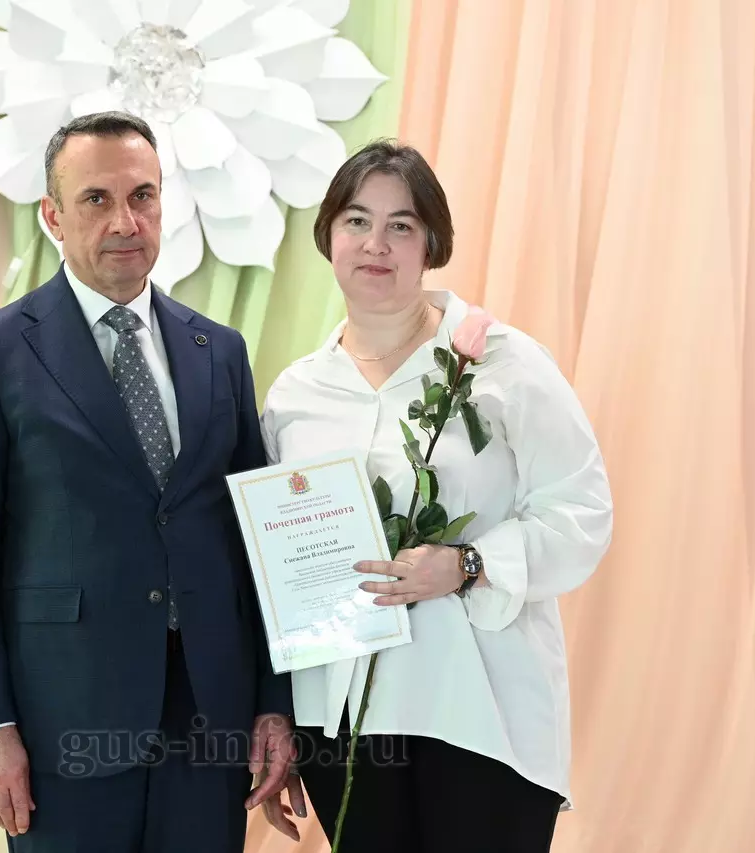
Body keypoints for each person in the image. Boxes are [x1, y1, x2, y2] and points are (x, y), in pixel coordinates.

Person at [0, 111, 295, 853]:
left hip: (209, 717)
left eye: (142, 196)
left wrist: (271, 701)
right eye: (96, 199)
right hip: (64, 721)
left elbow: (255, 542)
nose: (125, 221)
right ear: (53, 216)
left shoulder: (220, 351)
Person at [257, 140, 614, 852]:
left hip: (480, 713)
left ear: (431, 244)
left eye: (401, 225)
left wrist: (467, 565)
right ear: (329, 234)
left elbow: (582, 512)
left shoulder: (504, 363)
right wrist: (281, 720)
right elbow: (274, 571)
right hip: (344, 723)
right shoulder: (296, 394)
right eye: (357, 221)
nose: (376, 244)